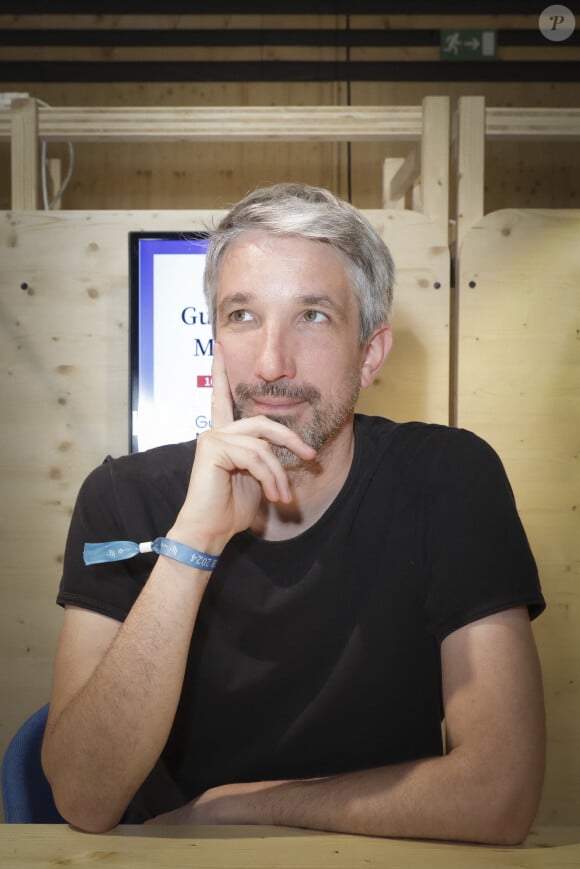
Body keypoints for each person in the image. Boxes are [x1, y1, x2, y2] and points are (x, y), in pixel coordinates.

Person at [41, 182, 546, 843]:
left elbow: (501, 791)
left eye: (312, 316)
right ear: (215, 340)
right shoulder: (122, 496)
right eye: (242, 316)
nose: (272, 364)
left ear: (370, 352)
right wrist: (194, 539)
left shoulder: (447, 479)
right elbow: (84, 794)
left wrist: (238, 805)